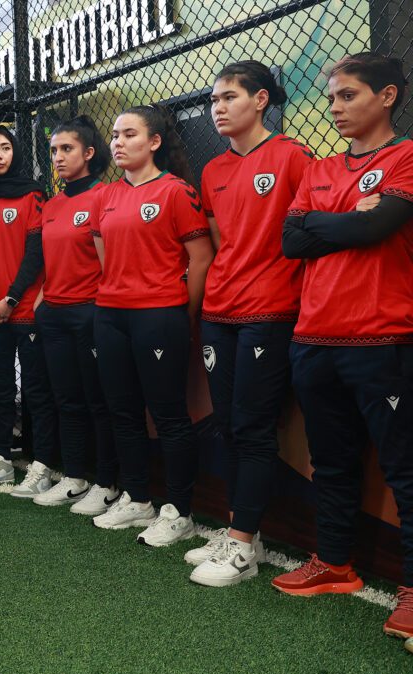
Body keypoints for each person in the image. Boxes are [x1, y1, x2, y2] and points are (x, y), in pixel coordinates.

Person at [274, 53, 413, 639]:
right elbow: (290, 241)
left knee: (405, 468)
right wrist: (346, 218)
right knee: (330, 461)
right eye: (331, 97)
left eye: (348, 95)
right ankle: (334, 563)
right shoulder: (320, 168)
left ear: (387, 96)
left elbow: (376, 228)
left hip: (381, 336)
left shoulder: (406, 156)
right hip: (312, 337)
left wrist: (326, 222)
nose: (334, 107)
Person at [187, 61, 314, 587]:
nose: (217, 108)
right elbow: (223, 243)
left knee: (254, 426)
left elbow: (309, 234)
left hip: (271, 310)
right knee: (229, 425)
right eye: (213, 100)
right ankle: (242, 531)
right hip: (220, 310)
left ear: (261, 100)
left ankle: (242, 547)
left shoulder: (293, 156)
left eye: (229, 97)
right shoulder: (212, 170)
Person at [90, 105, 215, 547]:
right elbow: (106, 257)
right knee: (123, 412)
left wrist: (183, 313)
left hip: (160, 315)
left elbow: (201, 258)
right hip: (111, 315)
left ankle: (179, 511)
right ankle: (138, 497)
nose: (118, 143)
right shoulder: (106, 196)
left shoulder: (176, 191)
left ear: (154, 141)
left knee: (168, 415)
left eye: (129, 134)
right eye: (115, 135)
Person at [0, 126, 61, 500]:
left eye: (5, 148)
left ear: (15, 153)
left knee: (36, 390)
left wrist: (11, 299)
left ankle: (42, 466)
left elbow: (35, 254)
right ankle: (2, 459)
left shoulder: (33, 195)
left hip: (26, 309)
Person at [32, 116, 120, 515]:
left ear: (89, 153)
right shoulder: (51, 205)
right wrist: (42, 300)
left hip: (91, 313)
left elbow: (112, 261)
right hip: (55, 315)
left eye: (66, 149)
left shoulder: (105, 196)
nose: (58, 157)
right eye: (53, 150)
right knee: (67, 400)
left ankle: (107, 483)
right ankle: (75, 477)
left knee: (99, 401)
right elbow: (50, 260)